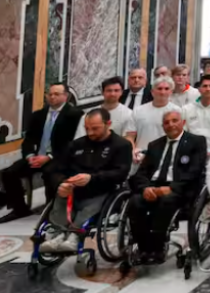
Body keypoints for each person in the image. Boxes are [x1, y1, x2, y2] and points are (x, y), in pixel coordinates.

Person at [37, 109, 132, 253]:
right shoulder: (76, 145)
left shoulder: (121, 145)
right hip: (74, 189)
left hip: (103, 189)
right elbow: (56, 169)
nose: (90, 133)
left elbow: (120, 173)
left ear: (108, 124)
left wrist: (91, 178)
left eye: (95, 128)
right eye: (87, 128)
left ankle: (75, 235)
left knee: (94, 203)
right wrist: (61, 183)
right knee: (60, 194)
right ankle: (59, 234)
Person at [128, 108, 207, 263]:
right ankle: (143, 247)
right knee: (135, 202)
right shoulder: (155, 145)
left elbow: (195, 172)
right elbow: (142, 172)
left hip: (179, 189)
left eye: (174, 121)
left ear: (183, 123)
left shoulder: (196, 142)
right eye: (166, 122)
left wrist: (172, 188)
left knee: (166, 201)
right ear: (162, 126)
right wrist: (145, 188)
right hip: (153, 186)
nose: (170, 125)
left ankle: (157, 248)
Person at [1, 83, 83, 221]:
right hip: (37, 157)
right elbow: (28, 139)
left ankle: (51, 211)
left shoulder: (75, 115)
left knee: (50, 173)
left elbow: (72, 143)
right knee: (9, 173)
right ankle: (20, 208)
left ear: (66, 96)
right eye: (49, 94)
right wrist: (30, 156)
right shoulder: (39, 115)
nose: (52, 97)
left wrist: (49, 157)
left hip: (59, 158)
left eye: (56, 94)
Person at [76, 77, 137, 145]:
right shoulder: (89, 114)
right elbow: (80, 137)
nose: (112, 94)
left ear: (121, 92)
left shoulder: (129, 114)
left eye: (116, 90)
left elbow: (127, 140)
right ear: (103, 92)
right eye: (109, 90)